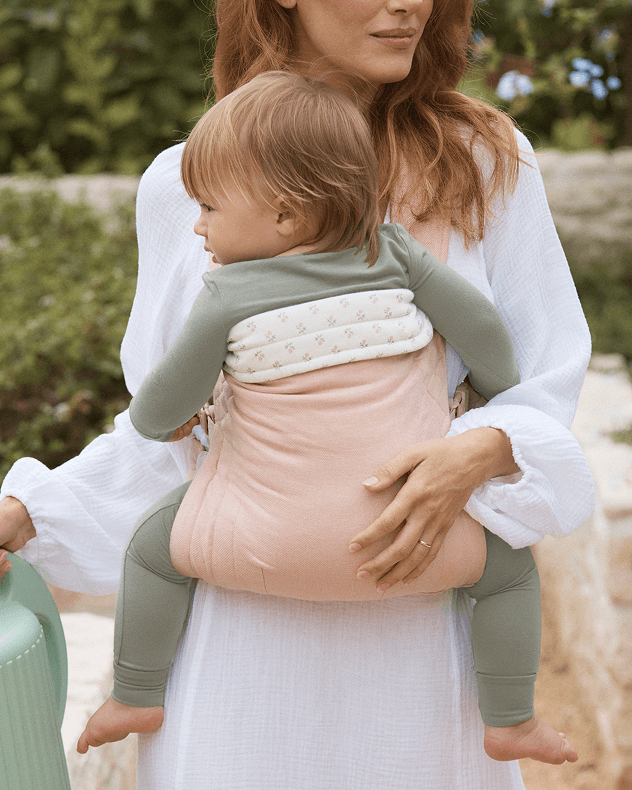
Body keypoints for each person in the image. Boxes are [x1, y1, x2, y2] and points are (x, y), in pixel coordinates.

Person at [0, 1, 594, 788]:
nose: (407, 3)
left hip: (422, 652)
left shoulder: (486, 161)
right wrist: (26, 514)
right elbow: (172, 438)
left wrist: (483, 452)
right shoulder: (185, 186)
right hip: (240, 654)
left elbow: (542, 383)